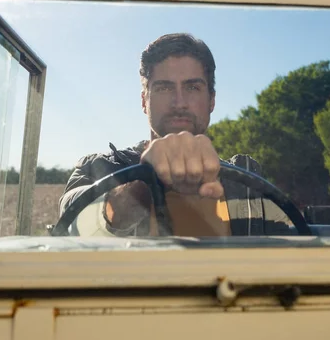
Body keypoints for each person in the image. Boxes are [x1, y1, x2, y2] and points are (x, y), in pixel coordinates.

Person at [59, 33, 291, 236]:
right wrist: (143, 184)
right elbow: (70, 227)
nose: (179, 102)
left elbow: (287, 256)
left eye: (192, 87)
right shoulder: (98, 168)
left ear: (211, 100)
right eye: (163, 88)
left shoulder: (249, 181)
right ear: (144, 101)